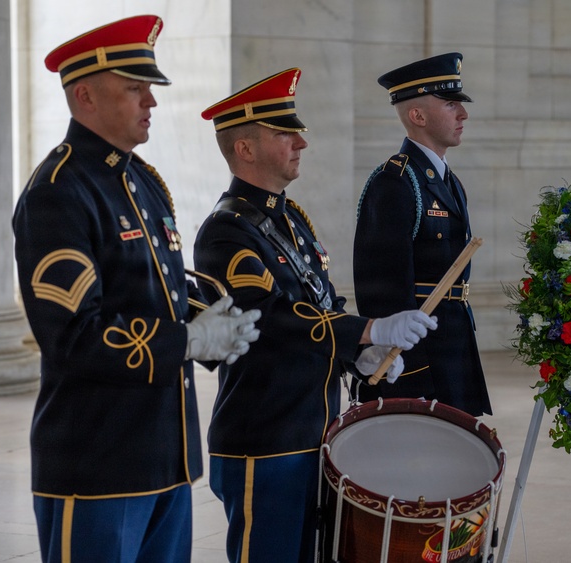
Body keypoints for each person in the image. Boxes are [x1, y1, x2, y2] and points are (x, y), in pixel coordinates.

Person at [12, 15, 261, 563]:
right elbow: (74, 337)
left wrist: (219, 320)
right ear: (86, 97)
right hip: (97, 456)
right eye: (134, 88)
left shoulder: (141, 180)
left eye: (149, 89)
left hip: (163, 454)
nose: (151, 101)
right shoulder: (59, 193)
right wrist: (188, 342)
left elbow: (158, 291)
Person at [194, 68, 438, 563]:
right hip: (265, 439)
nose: (301, 141)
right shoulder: (226, 232)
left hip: (313, 433)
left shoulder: (290, 220)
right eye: (285, 133)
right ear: (245, 149)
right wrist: (367, 329)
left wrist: (360, 354)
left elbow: (321, 306)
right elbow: (270, 319)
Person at [352, 52, 492, 417]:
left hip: (452, 349)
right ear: (417, 116)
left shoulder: (448, 180)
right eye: (450, 105)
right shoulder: (395, 182)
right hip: (418, 362)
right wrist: (402, 363)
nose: (463, 115)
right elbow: (381, 286)